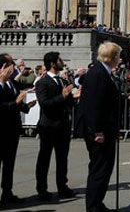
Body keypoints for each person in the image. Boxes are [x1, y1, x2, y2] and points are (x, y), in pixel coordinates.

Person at [79, 42, 121, 212]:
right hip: (98, 132)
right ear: (111, 57)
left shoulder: (104, 72)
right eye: (118, 55)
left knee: (105, 169)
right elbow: (94, 105)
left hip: (106, 130)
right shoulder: (97, 73)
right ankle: (93, 207)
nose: (120, 58)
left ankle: (98, 203)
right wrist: (97, 130)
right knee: (99, 169)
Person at [35, 51, 76, 201]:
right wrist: (62, 96)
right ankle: (42, 189)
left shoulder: (62, 81)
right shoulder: (42, 82)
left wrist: (73, 97)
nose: (62, 62)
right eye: (59, 60)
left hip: (63, 125)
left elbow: (69, 102)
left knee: (62, 158)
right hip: (48, 126)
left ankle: (62, 186)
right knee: (44, 158)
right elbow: (45, 104)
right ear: (52, 63)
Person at [0, 53, 37, 206]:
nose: (13, 69)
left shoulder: (11, 83)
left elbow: (16, 102)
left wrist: (26, 106)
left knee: (9, 164)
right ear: (3, 67)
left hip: (12, 130)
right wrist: (16, 103)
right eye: (11, 65)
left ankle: (7, 193)